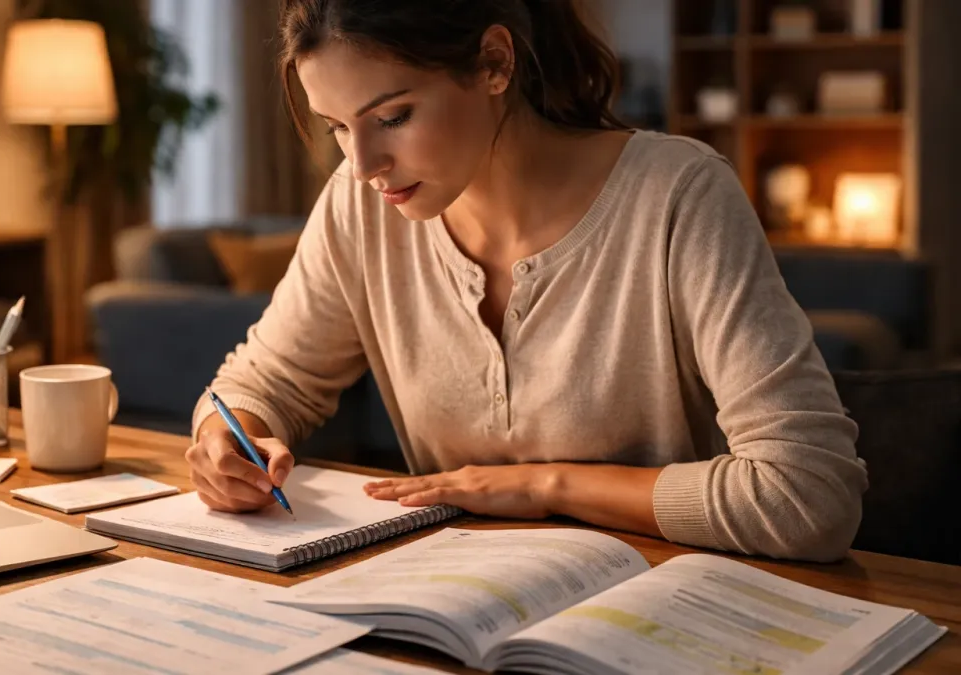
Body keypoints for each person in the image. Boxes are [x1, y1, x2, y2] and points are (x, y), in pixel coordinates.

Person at [184, 0, 868, 562]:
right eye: (338, 126)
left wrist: (545, 485)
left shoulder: (679, 197)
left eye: (393, 117)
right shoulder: (360, 208)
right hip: (456, 608)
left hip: (669, 613)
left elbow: (809, 493)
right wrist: (229, 438)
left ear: (493, 63)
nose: (363, 163)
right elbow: (261, 383)